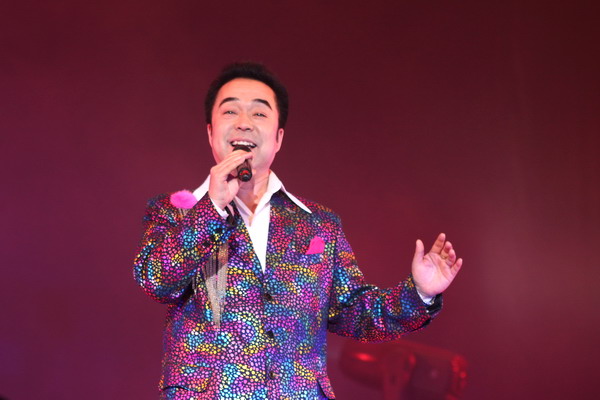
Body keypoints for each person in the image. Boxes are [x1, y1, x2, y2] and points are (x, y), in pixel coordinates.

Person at [133, 62, 462, 400]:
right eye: (230, 111)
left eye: (259, 113)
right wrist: (212, 207)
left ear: (278, 138)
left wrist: (419, 294)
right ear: (210, 132)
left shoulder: (318, 223)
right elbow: (156, 280)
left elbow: (355, 312)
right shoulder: (175, 211)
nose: (244, 122)